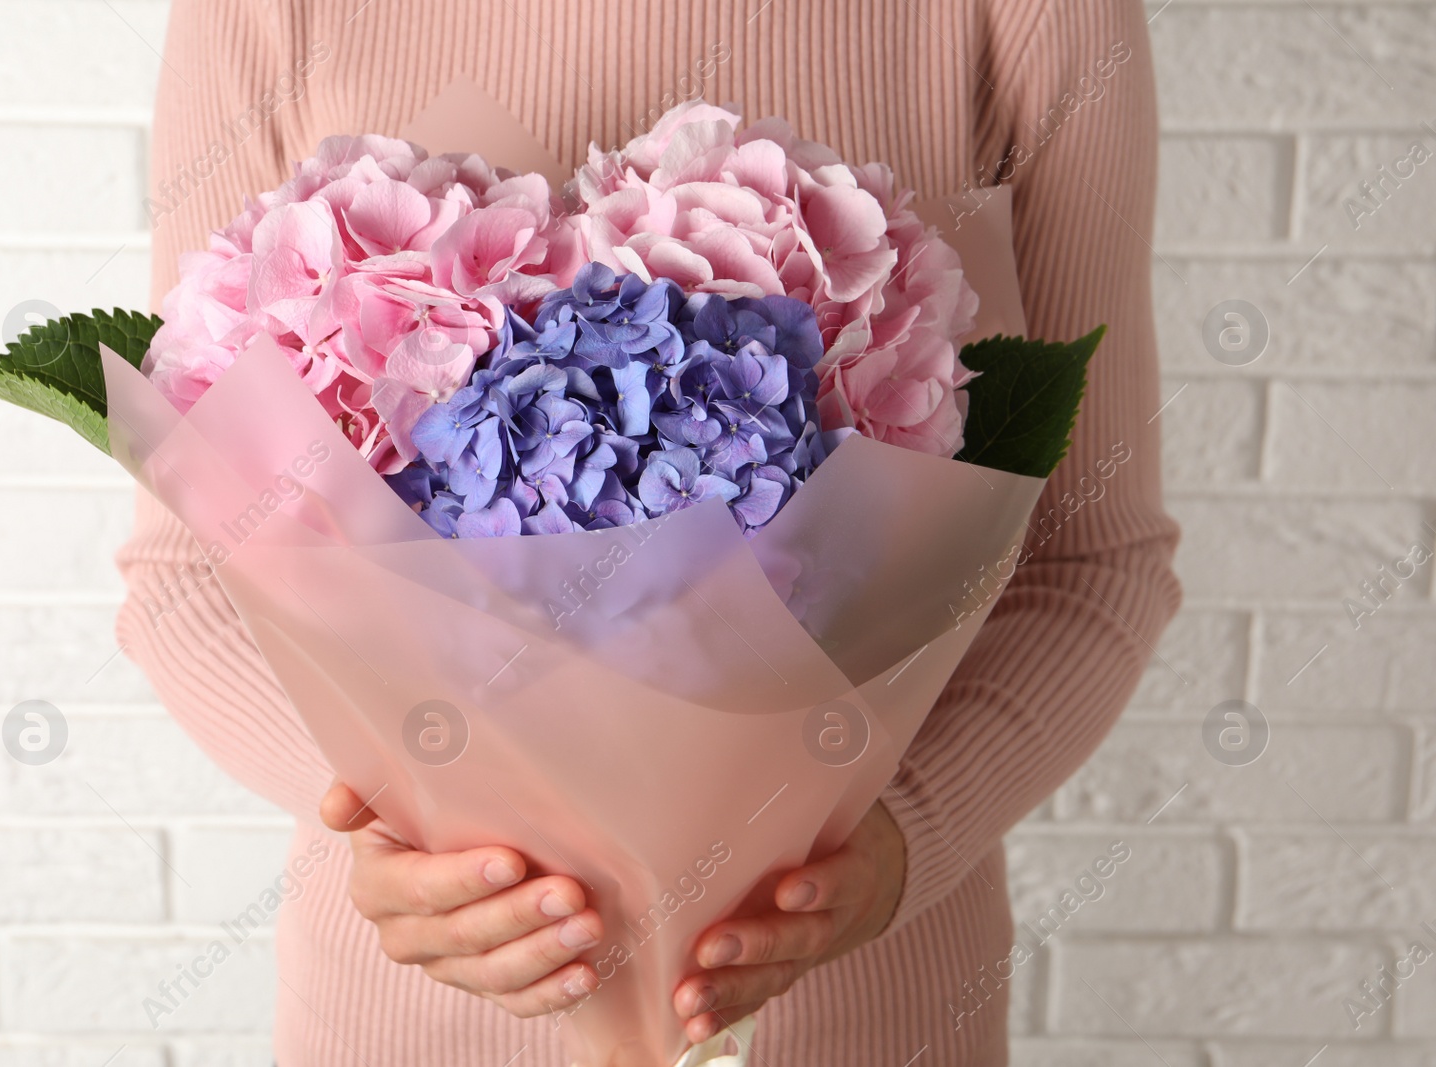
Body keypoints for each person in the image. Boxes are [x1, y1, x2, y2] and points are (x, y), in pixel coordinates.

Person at [117, 0, 1181, 1062]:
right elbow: (184, 573)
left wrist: (904, 833)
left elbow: (1092, 564)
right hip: (409, 1015)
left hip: (864, 1011)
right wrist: (404, 815)